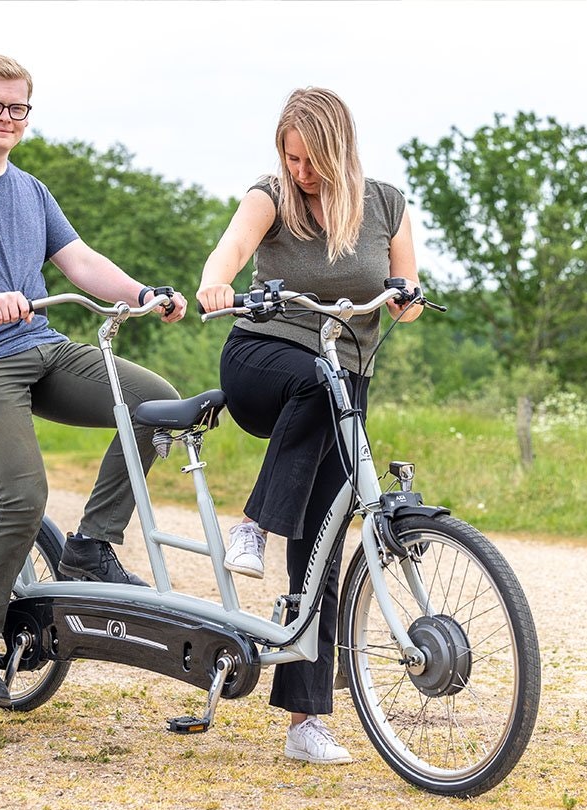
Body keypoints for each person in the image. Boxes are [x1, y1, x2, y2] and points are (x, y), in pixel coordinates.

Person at [0, 54, 187, 708]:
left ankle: (90, 546)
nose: (4, 117)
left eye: (16, 107)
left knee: (157, 403)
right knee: (24, 494)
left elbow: (78, 260)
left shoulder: (31, 190)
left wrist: (143, 292)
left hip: (39, 345)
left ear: (28, 114)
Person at [195, 87, 423, 764]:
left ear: (339, 148)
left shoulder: (384, 202)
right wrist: (215, 281)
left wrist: (405, 298)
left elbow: (404, 290)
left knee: (321, 546)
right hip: (265, 362)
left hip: (342, 383)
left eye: (310, 158)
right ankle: (253, 524)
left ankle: (304, 722)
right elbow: (231, 248)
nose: (299, 170)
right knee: (312, 379)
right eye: (290, 157)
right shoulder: (271, 194)